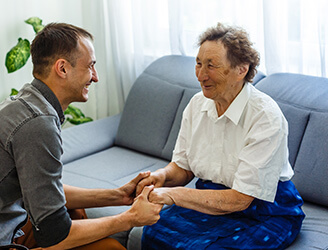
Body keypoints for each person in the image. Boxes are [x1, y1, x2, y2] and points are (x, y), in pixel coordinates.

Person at [136, 22, 305, 250]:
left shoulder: (265, 116)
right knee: (154, 232)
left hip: (266, 209)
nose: (201, 75)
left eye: (211, 66)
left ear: (241, 69)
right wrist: (161, 177)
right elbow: (183, 168)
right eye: (198, 64)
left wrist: (171, 194)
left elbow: (241, 199)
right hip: (210, 200)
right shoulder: (197, 105)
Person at [0, 23, 162, 250]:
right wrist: (130, 218)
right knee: (111, 249)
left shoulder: (25, 104)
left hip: (10, 219)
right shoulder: (38, 124)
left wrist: (117, 196)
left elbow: (45, 190)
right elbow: (54, 235)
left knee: (73, 211)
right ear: (63, 69)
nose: (95, 77)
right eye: (90, 66)